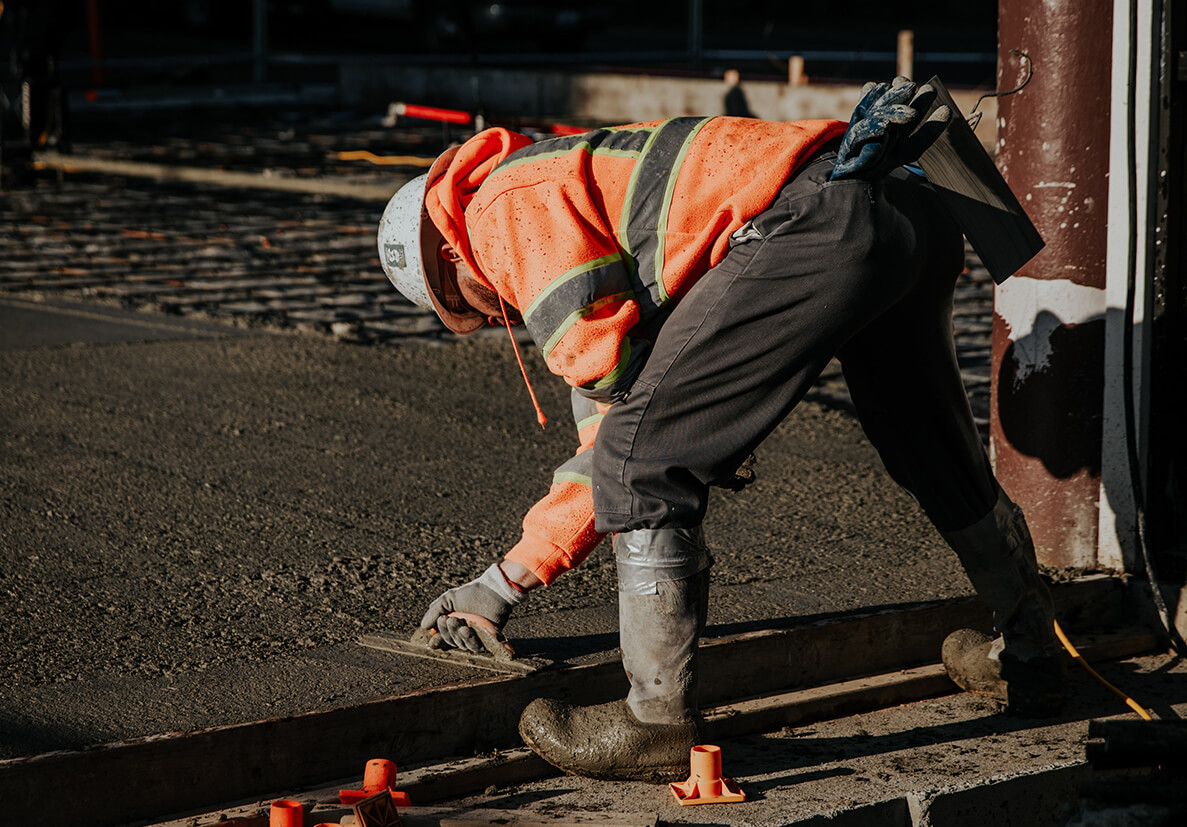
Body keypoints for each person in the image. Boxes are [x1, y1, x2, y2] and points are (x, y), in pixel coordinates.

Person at [376, 78, 1068, 782]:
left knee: (642, 463)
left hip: (818, 218)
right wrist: (505, 582)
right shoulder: (567, 181)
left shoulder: (503, 215)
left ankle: (655, 720)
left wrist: (501, 582)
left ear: (449, 257)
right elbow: (622, 409)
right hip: (903, 204)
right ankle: (1031, 651)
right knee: (930, 447)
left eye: (467, 306)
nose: (494, 317)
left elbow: (621, 440)